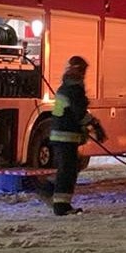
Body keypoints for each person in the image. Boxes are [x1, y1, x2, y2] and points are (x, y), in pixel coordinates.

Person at [48, 56, 93, 216]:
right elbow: (79, 113)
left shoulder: (65, 86)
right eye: (83, 70)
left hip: (59, 134)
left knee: (65, 170)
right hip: (66, 136)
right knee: (68, 171)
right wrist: (94, 124)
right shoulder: (74, 88)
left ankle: (51, 191)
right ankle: (61, 206)